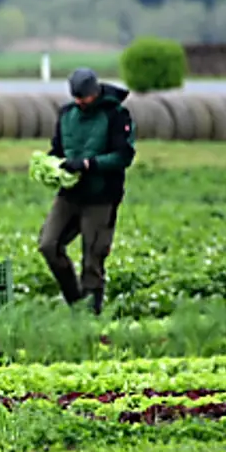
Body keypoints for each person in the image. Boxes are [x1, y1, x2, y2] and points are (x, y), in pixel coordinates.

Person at [36, 66, 135, 314]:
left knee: (93, 256)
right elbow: (57, 149)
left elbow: (124, 156)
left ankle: (91, 313)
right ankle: (75, 301)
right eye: (76, 97)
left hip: (101, 197)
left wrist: (90, 164)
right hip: (70, 195)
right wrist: (51, 164)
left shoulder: (116, 115)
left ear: (95, 92)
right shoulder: (67, 115)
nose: (81, 102)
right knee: (48, 244)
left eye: (85, 97)